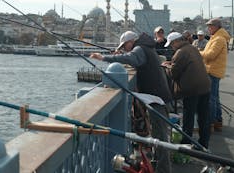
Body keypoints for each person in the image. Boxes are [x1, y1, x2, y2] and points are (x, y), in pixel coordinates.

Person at [90, 31, 172, 173]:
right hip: (158, 95)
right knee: (159, 136)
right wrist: (119, 54)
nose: (125, 49)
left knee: (160, 138)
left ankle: (163, 170)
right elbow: (134, 58)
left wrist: (104, 58)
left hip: (156, 98)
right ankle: (158, 165)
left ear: (130, 42)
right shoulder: (145, 46)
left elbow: (132, 58)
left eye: (124, 46)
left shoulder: (140, 49)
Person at [162, 32, 211, 149]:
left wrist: (165, 66)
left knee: (188, 117)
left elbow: (173, 73)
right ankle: (203, 144)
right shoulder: (192, 48)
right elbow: (184, 65)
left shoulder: (180, 52)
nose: (171, 47)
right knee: (203, 117)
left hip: (192, 89)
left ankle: (186, 144)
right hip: (205, 86)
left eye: (171, 44)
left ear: (176, 42)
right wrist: (171, 64)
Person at [200, 18, 231, 132]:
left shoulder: (218, 39)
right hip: (214, 71)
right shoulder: (217, 38)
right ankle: (217, 121)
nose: (209, 28)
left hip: (212, 71)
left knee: (211, 99)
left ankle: (211, 122)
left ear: (217, 27)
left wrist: (198, 52)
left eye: (210, 26)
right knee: (215, 98)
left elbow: (210, 55)